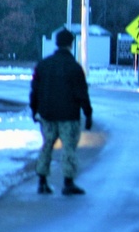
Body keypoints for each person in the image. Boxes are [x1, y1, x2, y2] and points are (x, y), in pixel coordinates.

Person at [30, 28, 93, 196]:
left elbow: (34, 90)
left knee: (47, 146)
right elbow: (82, 93)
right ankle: (68, 182)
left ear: (56, 43)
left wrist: (34, 109)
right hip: (69, 116)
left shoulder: (43, 65)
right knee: (69, 148)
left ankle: (42, 180)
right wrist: (88, 113)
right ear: (71, 44)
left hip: (47, 115)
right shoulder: (74, 67)